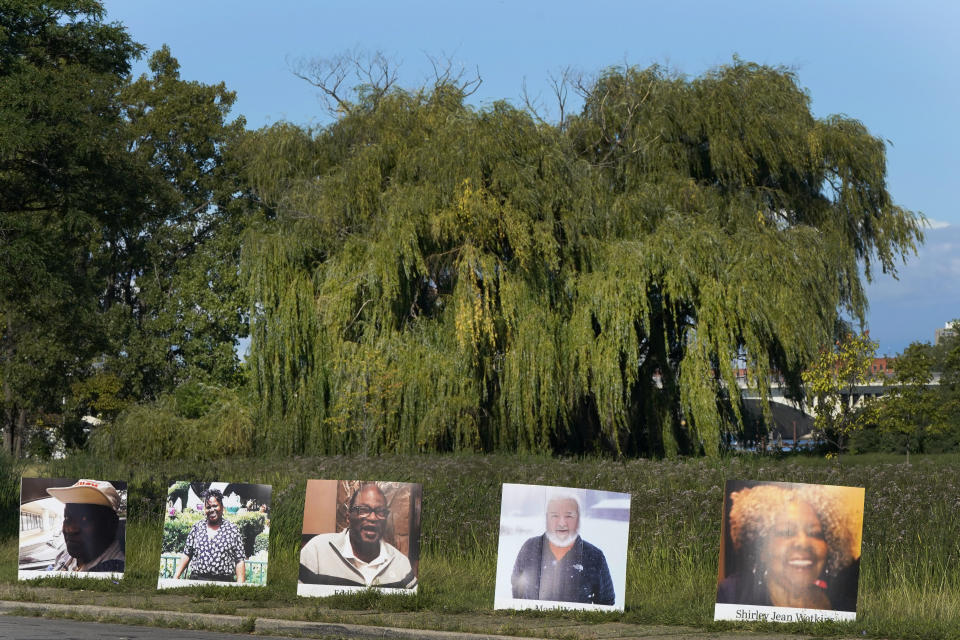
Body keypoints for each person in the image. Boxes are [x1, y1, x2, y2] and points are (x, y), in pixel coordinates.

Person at [717, 484, 860, 611]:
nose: (803, 543)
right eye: (786, 532)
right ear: (760, 549)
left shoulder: (846, 603)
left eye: (815, 533)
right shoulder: (729, 597)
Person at [299, 483, 416, 589]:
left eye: (380, 511)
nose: (373, 518)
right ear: (348, 517)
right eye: (364, 510)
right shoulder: (317, 551)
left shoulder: (401, 564)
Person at [511, 493, 615, 605]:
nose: (561, 523)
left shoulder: (595, 557)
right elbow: (517, 586)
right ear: (546, 518)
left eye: (569, 516)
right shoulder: (529, 547)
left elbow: (606, 603)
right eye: (555, 515)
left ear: (578, 519)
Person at [45, 479, 125, 573]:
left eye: (85, 519)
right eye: (67, 517)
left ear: (111, 524)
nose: (70, 529)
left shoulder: (115, 570)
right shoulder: (66, 554)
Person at [173, 488, 245, 583]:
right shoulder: (197, 527)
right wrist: (175, 578)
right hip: (197, 582)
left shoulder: (232, 529)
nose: (212, 510)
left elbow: (239, 560)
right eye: (208, 507)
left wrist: (240, 586)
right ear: (205, 509)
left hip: (223, 583)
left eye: (215, 506)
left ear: (222, 507)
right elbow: (187, 554)